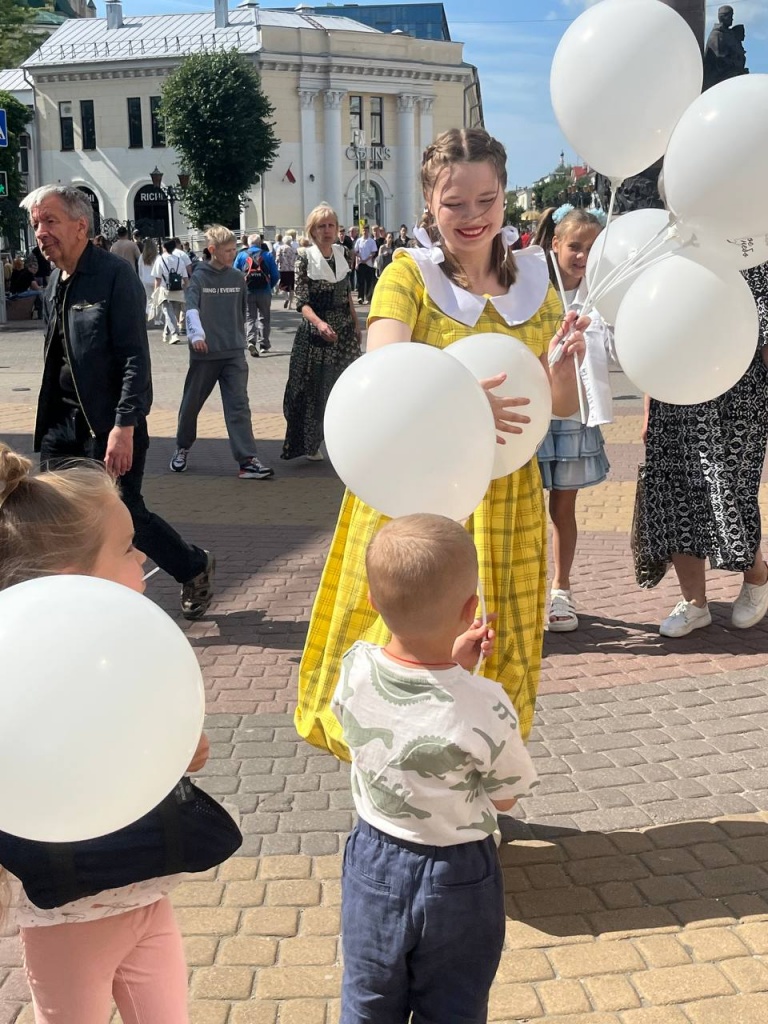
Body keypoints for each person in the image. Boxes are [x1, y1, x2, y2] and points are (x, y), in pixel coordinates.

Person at [295, 129, 586, 759]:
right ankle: (399, 780)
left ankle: (480, 777)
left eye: (487, 200)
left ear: (504, 195)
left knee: (499, 643)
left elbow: (557, 405)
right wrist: (457, 402)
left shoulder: (536, 281)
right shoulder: (409, 276)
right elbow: (385, 371)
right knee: (408, 648)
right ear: (430, 203)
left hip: (507, 497)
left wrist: (564, 370)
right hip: (420, 496)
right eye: (455, 203)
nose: (473, 216)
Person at [0, 444, 215, 1024]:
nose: (142, 555)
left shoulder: (123, 654)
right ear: (74, 582)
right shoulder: (20, 681)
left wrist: (180, 753)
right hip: (68, 918)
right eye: (126, 548)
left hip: (148, 893)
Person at [333, 513, 538, 1023]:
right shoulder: (486, 703)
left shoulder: (355, 668)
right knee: (452, 1006)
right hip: (459, 871)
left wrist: (452, 666)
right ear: (470, 608)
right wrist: (460, 676)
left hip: (373, 858)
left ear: (373, 600)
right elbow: (506, 796)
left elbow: (403, 711)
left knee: (368, 998)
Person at [20, 184, 215, 621]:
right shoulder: (54, 281)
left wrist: (124, 425)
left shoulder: (114, 275)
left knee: (124, 515)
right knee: (61, 518)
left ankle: (193, 565)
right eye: (36, 224)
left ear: (80, 226)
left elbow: (134, 358)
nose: (41, 233)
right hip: (60, 425)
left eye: (50, 221)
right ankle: (83, 607)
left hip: (108, 424)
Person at [638, 261, 768, 638]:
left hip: (738, 398)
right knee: (675, 493)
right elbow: (649, 333)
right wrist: (648, 404)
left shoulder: (752, 258)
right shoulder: (673, 259)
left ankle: (757, 576)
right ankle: (694, 602)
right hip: (675, 392)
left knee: (732, 494)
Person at [533, 205, 613, 633]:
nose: (583, 256)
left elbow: (616, 348)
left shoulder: (601, 293)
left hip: (575, 413)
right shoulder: (530, 288)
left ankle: (561, 588)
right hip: (532, 409)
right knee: (525, 503)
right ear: (556, 244)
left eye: (592, 248)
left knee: (563, 506)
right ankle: (525, 585)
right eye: (575, 246)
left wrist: (590, 338)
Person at [170, 225, 274, 480]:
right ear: (213, 250)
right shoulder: (199, 277)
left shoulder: (238, 278)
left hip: (233, 352)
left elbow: (243, 311)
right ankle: (182, 447)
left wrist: (241, 337)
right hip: (205, 353)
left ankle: (247, 461)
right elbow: (191, 307)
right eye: (227, 251)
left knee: (239, 406)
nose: (232, 254)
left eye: (234, 249)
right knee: (191, 404)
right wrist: (197, 335)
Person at [281, 205, 362, 463]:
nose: (327, 230)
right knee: (314, 389)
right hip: (317, 333)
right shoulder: (304, 258)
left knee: (347, 384)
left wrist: (355, 322)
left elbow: (346, 293)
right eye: (321, 226)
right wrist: (319, 324)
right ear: (312, 230)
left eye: (331, 225)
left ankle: (347, 439)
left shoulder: (343, 253)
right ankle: (310, 442)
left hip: (344, 331)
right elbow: (302, 302)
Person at [234, 233, 279, 356]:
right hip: (264, 291)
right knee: (264, 317)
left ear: (248, 244)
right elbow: (276, 275)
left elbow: (235, 273)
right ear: (260, 243)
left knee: (250, 317)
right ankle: (264, 344)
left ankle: (251, 341)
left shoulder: (241, 255)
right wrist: (269, 286)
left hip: (248, 291)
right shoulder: (267, 255)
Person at [151, 239, 186, 344]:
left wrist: (155, 291)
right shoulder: (179, 260)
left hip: (165, 290)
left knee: (167, 312)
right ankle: (166, 334)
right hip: (178, 290)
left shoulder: (160, 259)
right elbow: (185, 278)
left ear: (164, 247)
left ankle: (174, 334)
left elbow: (157, 278)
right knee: (172, 314)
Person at [353, 224, 378, 305]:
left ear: (368, 231)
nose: (365, 232)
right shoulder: (359, 241)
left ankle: (367, 297)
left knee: (368, 281)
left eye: (366, 230)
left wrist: (366, 259)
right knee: (360, 281)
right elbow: (355, 251)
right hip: (361, 263)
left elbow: (373, 252)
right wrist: (358, 260)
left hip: (369, 264)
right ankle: (360, 297)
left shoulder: (371, 241)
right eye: (363, 230)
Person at [138, 238, 159, 324]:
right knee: (156, 299)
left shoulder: (142, 257)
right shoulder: (157, 257)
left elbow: (140, 270)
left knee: (148, 299)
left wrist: (141, 279)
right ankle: (156, 319)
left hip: (145, 280)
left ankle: (149, 314)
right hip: (155, 280)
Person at [274, 232, 297, 309]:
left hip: (283, 269)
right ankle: (290, 305)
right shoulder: (294, 249)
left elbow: (277, 259)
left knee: (283, 285)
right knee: (292, 287)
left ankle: (286, 298)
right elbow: (296, 259)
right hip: (292, 269)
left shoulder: (280, 248)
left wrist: (277, 264)